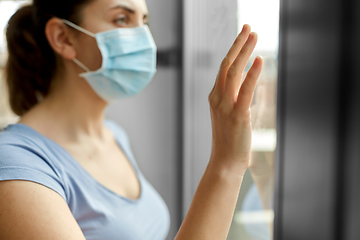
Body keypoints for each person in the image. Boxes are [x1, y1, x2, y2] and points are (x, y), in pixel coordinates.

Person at [0, 0, 263, 239]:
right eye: (122, 20)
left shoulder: (114, 135)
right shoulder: (15, 162)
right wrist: (226, 164)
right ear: (63, 38)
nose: (144, 39)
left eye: (144, 21)